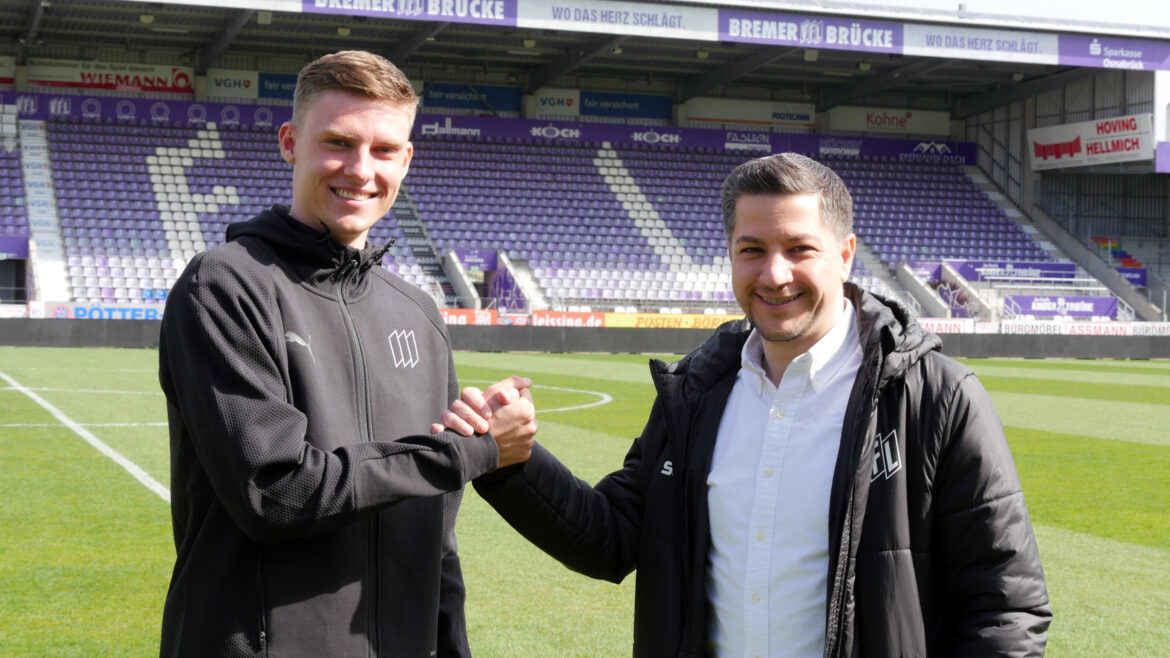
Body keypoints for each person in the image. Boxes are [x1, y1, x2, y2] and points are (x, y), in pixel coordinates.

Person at [444, 153, 1051, 656]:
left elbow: (1005, 607)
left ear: (844, 256)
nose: (774, 273)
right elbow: (610, 538)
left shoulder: (935, 397)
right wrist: (510, 460)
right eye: (752, 248)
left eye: (799, 248)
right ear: (731, 254)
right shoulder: (696, 394)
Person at [157, 50, 535, 657]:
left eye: (384, 150)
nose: (361, 170)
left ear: (406, 160)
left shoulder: (416, 310)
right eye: (338, 142)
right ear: (290, 142)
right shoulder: (225, 285)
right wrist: (470, 451)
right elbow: (274, 492)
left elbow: (435, 531)